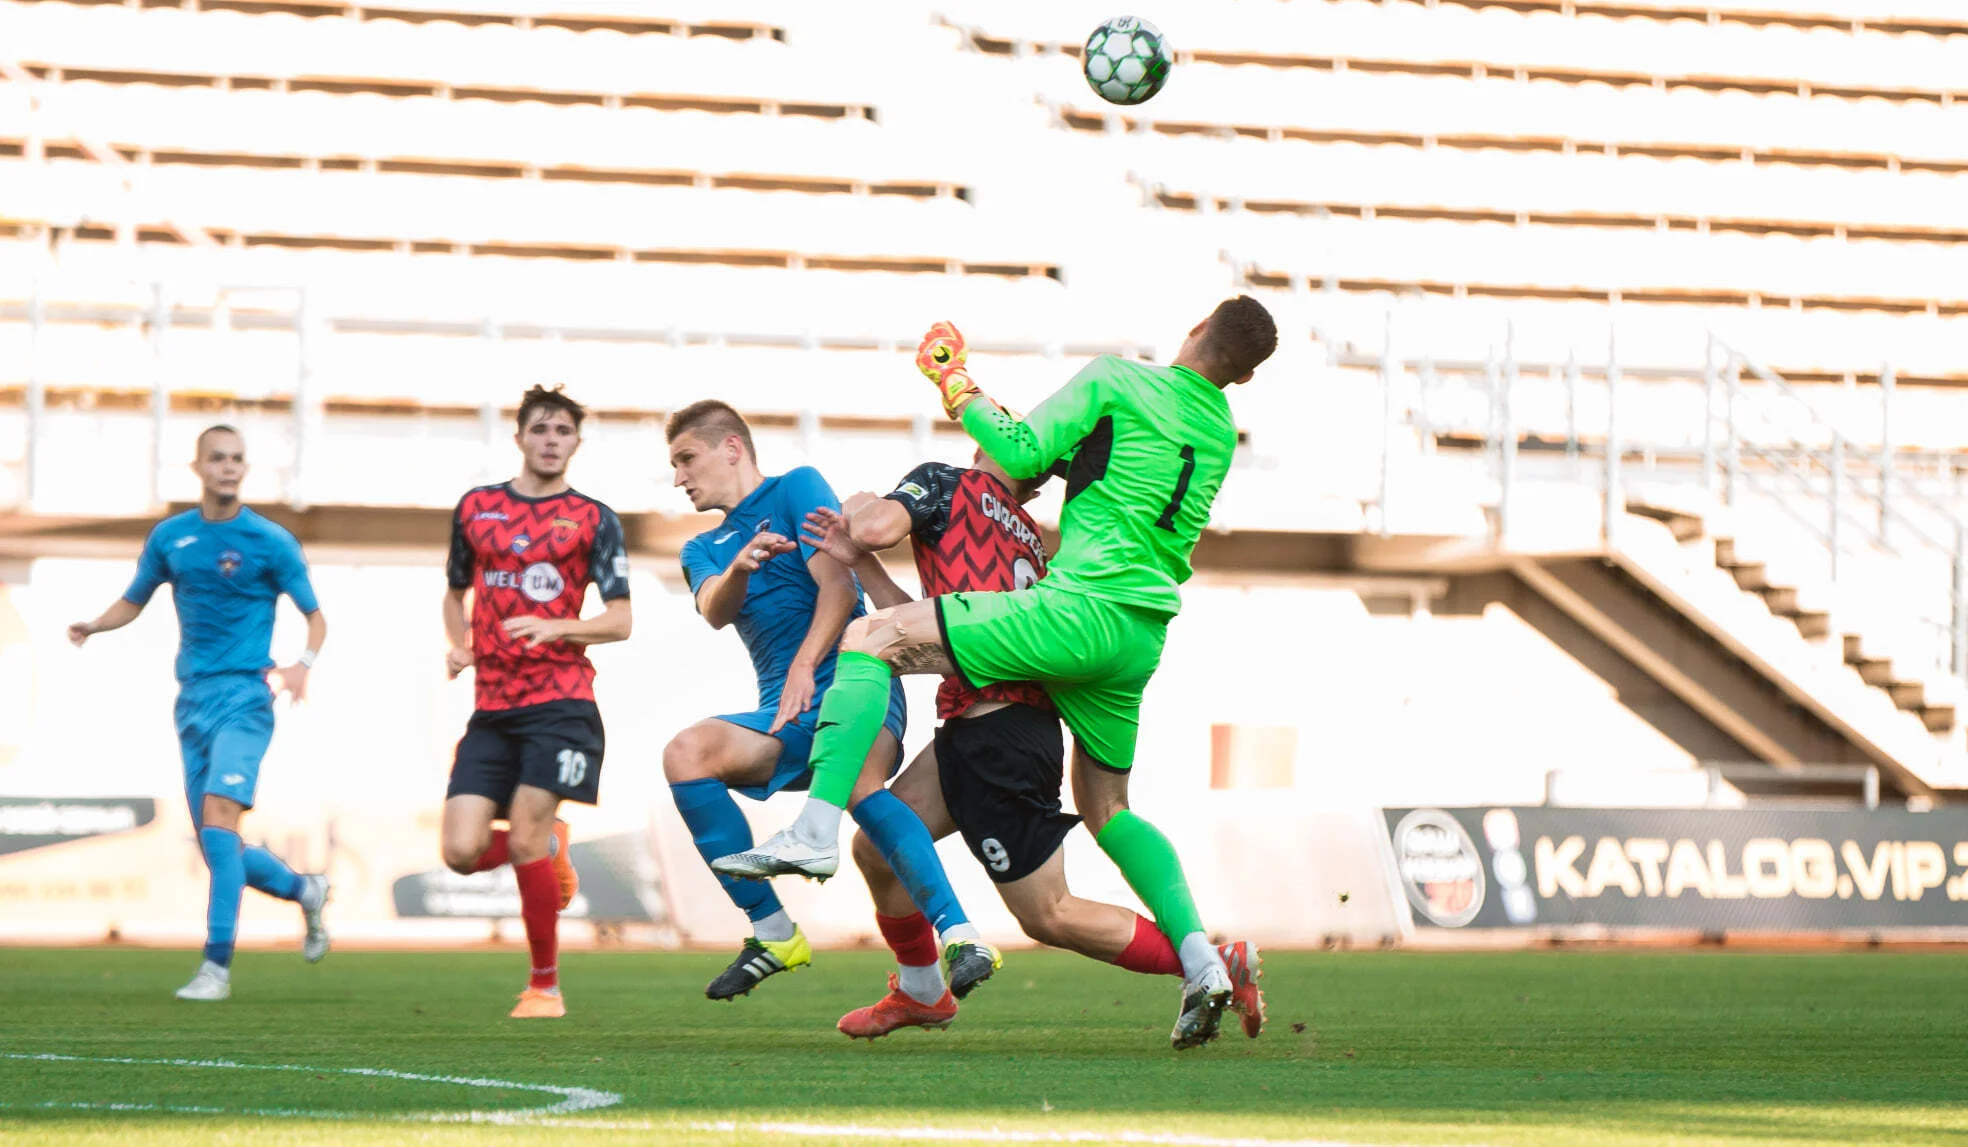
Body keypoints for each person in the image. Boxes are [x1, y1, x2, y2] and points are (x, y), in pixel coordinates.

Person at [716, 296, 1280, 1049]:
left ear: (1196, 327)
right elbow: (1060, 464)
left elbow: (1018, 449)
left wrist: (955, 382)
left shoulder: (1116, 381)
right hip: (1138, 634)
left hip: (1075, 615)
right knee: (1103, 810)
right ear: (1242, 378)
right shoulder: (1215, 432)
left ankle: (812, 828)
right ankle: (1199, 958)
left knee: (871, 636)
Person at [800, 456, 1263, 1043]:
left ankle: (1213, 964)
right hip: (987, 726)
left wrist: (859, 513)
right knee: (877, 847)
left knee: (1049, 913)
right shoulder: (1030, 539)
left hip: (998, 736)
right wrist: (861, 564)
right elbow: (917, 625)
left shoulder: (949, 486)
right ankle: (922, 991)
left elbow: (877, 531)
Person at [662, 400, 997, 1005]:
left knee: (862, 787)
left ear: (731, 448)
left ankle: (961, 936)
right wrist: (740, 567)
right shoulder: (702, 548)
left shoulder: (797, 487)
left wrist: (804, 664)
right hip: (785, 711)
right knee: (686, 753)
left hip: (855, 679)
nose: (679, 477)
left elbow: (840, 588)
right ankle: (773, 933)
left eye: (687, 459)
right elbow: (714, 609)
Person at [69, 424, 330, 1002]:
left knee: (218, 821)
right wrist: (94, 625)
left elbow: (316, 617)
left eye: (237, 458)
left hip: (246, 699)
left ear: (245, 468)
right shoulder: (172, 537)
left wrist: (302, 664)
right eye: (217, 458)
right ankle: (306, 891)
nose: (228, 467)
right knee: (220, 845)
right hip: (191, 702)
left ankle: (216, 968)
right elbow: (134, 599)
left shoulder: (271, 541)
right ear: (198, 468)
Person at [436, 385, 632, 1019]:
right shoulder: (477, 508)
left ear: (577, 442)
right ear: (519, 436)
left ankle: (544, 987)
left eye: (563, 431)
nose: (551, 440)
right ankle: (549, 851)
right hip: (492, 708)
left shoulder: (593, 518)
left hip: (561, 702)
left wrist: (559, 628)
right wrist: (460, 645)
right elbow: (455, 592)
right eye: (541, 429)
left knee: (522, 834)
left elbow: (621, 620)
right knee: (460, 852)